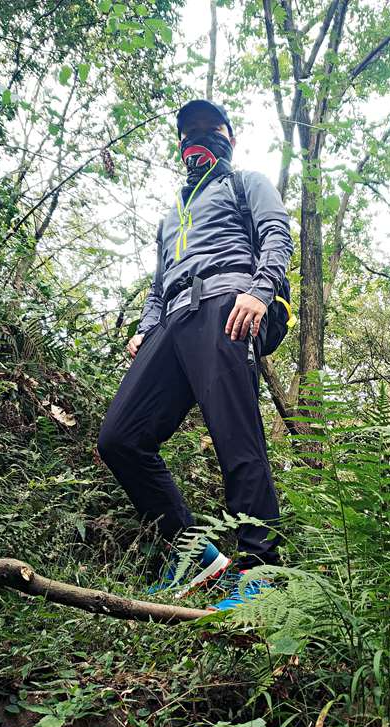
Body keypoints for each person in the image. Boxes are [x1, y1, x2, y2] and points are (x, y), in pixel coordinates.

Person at [97, 99, 294, 612]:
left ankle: (261, 569)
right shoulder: (169, 217)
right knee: (120, 437)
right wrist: (145, 330)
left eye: (210, 131)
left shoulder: (245, 182)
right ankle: (193, 556)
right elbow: (157, 285)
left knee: (235, 432)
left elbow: (277, 233)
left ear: (229, 137)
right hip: (172, 321)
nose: (198, 141)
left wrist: (261, 290)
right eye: (188, 134)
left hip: (228, 302)